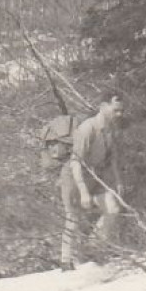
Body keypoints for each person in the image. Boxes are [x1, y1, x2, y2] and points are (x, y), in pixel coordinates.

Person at [59, 92, 126, 270]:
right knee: (73, 216)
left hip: (95, 176)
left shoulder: (111, 129)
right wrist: (82, 191)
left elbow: (112, 158)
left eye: (121, 111)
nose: (119, 114)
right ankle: (66, 260)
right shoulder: (87, 129)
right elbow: (75, 161)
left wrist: (118, 181)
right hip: (74, 177)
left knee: (112, 208)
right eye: (115, 110)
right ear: (103, 107)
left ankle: (93, 249)